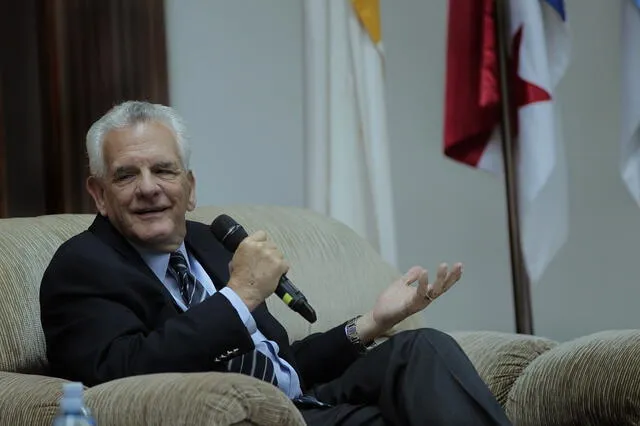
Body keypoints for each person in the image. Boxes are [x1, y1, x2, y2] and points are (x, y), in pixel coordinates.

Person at [40, 100, 512, 425]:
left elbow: (279, 362)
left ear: (190, 187)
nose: (149, 188)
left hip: (302, 403)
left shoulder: (209, 243)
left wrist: (370, 322)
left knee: (422, 346)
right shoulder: (81, 267)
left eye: (164, 170)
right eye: (126, 175)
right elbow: (120, 377)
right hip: (250, 417)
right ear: (99, 195)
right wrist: (239, 295)